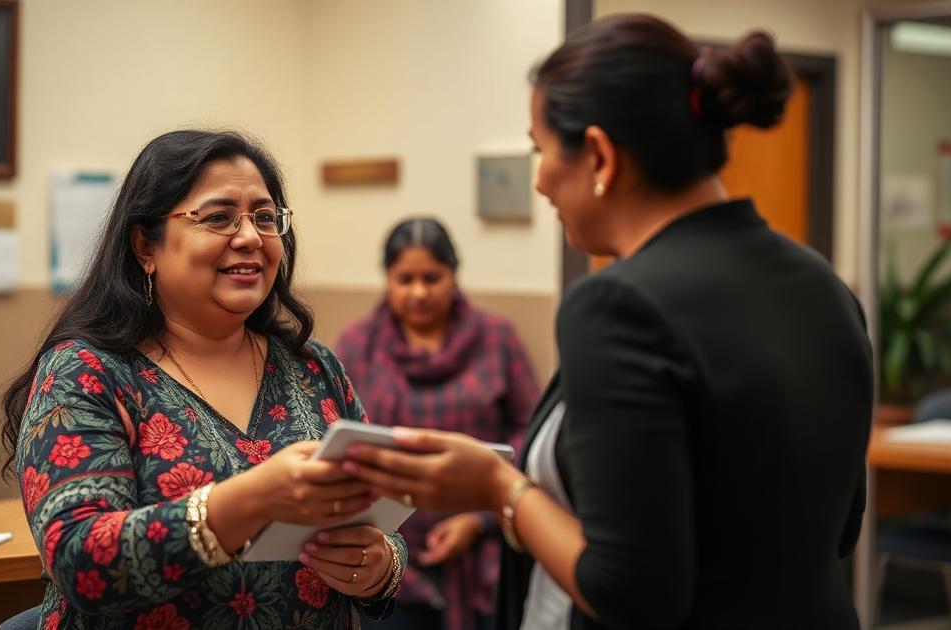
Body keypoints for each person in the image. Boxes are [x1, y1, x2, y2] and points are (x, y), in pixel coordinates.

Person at [341, 14, 873, 630]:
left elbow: (631, 592)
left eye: (541, 150)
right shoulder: (823, 286)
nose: (538, 181)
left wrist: (498, 488)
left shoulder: (619, 306)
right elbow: (841, 525)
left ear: (598, 154)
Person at [0, 129, 407, 629]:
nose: (250, 237)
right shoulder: (87, 372)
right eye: (218, 218)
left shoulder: (313, 368)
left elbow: (379, 520)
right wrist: (251, 499)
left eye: (264, 217)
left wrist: (379, 565)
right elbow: (80, 562)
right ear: (145, 245)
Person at [336, 217, 539, 630]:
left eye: (432, 277)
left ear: (454, 275)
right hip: (386, 553)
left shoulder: (496, 338)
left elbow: (529, 433)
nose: (419, 292)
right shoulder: (358, 345)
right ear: (387, 279)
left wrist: (480, 518)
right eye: (405, 279)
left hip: (485, 552)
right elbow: (338, 437)